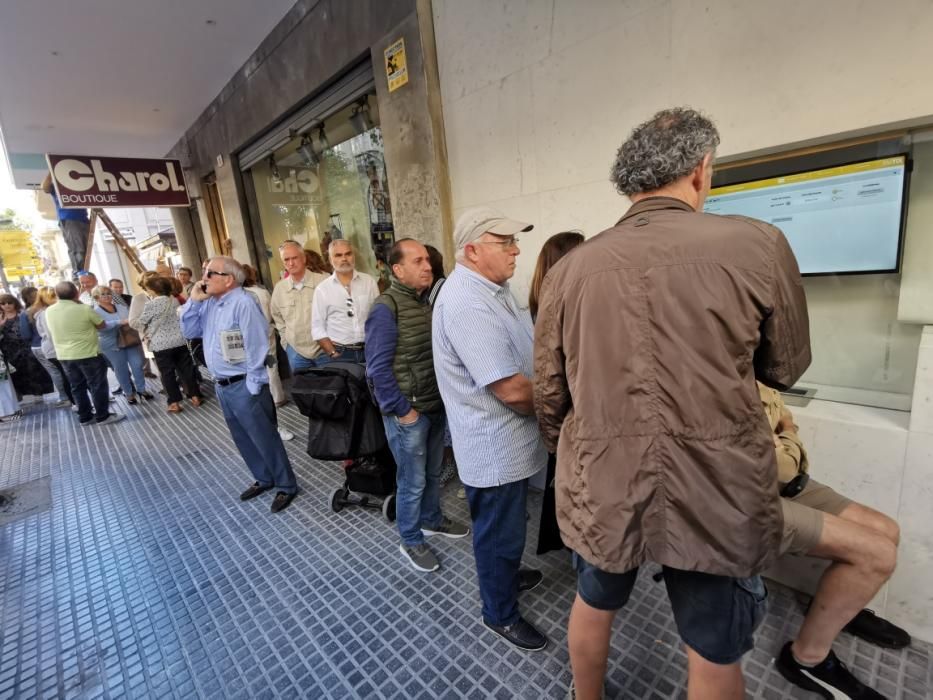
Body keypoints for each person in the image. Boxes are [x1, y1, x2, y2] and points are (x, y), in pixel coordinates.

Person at [533, 108, 811, 699]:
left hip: (604, 478)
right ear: (701, 169)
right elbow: (785, 367)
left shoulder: (570, 271)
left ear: (629, 182)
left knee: (594, 599)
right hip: (717, 485)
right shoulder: (758, 243)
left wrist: (579, 452)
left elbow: (550, 392)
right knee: (713, 646)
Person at [432, 207, 548, 652]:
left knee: (509, 525)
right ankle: (498, 613)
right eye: (506, 242)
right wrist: (566, 400)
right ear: (473, 250)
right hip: (495, 448)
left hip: (513, 445)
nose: (516, 250)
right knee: (498, 531)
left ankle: (508, 574)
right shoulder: (466, 302)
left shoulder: (493, 288)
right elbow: (513, 391)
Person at [758, 384, 904, 698]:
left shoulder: (747, 356)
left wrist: (783, 436)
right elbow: (782, 465)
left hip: (779, 479)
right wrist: (788, 433)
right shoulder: (703, 362)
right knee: (877, 555)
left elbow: (781, 413)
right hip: (744, 500)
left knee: (886, 530)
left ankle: (834, 611)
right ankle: (806, 659)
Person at [365, 239, 470, 573]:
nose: (428, 266)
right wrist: (404, 412)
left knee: (432, 473)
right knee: (412, 481)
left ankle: (431, 519)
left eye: (428, 259)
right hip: (409, 414)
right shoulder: (386, 307)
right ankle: (410, 538)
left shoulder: (424, 302)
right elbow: (377, 371)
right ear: (398, 270)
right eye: (418, 261)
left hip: (433, 406)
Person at [180, 256, 299, 513]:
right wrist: (193, 301)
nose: (204, 277)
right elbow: (189, 331)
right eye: (204, 272)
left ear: (229, 279)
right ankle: (264, 478)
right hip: (222, 384)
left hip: (244, 384)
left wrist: (254, 385)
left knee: (265, 436)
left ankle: (286, 485)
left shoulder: (243, 303)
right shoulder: (210, 302)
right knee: (242, 437)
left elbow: (257, 345)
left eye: (210, 273)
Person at [527, 230, 586, 556]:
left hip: (561, 416)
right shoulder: (564, 303)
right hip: (570, 413)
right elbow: (552, 379)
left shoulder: (540, 300)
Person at [44, 282, 125, 426]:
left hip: (65, 355)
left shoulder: (49, 311)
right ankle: (103, 416)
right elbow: (102, 325)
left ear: (57, 295)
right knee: (97, 385)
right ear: (76, 293)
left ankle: (85, 417)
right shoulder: (84, 309)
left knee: (77, 387)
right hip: (89, 353)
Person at [242, 263, 293, 440]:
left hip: (252, 340)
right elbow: (271, 313)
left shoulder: (243, 295)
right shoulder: (262, 293)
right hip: (267, 336)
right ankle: (278, 395)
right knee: (271, 365)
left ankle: (271, 395)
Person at [136, 276, 203, 413]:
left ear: (153, 290)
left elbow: (139, 323)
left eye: (149, 289)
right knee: (186, 369)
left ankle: (174, 403)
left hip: (161, 344)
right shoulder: (174, 300)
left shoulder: (151, 304)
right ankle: (195, 396)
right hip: (179, 341)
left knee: (167, 374)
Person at [311, 239, 379, 364]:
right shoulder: (323, 289)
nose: (344, 258)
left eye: (348, 254)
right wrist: (332, 353)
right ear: (331, 260)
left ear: (353, 256)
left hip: (370, 349)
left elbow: (378, 316)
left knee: (372, 384)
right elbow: (317, 327)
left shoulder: (369, 282)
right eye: (338, 255)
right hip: (341, 353)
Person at [270, 240, 328, 372]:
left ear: (303, 258)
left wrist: (332, 346)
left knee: (333, 389)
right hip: (297, 354)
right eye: (286, 259)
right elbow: (278, 319)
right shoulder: (280, 289)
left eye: (295, 258)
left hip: (325, 351)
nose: (291, 263)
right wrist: (287, 345)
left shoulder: (324, 282)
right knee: (303, 391)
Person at [92, 286, 150, 404]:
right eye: (103, 294)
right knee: (121, 369)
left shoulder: (122, 307)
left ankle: (142, 390)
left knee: (137, 365)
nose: (107, 296)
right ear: (97, 297)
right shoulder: (95, 312)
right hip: (111, 344)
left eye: (109, 293)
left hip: (129, 340)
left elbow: (132, 319)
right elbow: (101, 327)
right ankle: (129, 394)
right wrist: (119, 322)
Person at [0, 292, 53, 403]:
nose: (7, 305)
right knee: (17, 374)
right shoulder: (1, 318)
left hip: (27, 348)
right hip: (10, 351)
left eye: (9, 302)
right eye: (3, 303)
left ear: (15, 303)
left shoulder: (23, 314)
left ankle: (40, 394)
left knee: (35, 371)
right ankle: (22, 396)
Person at [27, 287, 74, 408]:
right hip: (55, 349)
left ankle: (73, 401)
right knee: (66, 376)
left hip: (55, 348)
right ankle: (74, 402)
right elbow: (51, 334)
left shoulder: (47, 311)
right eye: (53, 296)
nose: (57, 298)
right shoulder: (46, 313)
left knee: (66, 375)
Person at [42, 172, 91, 278]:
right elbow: (45, 187)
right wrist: (52, 171)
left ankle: (82, 271)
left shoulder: (77, 185)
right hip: (69, 218)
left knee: (86, 249)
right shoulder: (58, 186)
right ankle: (78, 273)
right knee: (77, 248)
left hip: (83, 218)